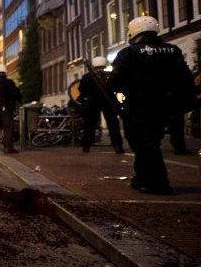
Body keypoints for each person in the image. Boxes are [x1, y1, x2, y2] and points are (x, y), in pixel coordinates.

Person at [108, 16, 195, 195]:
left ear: (133, 31)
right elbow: (185, 78)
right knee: (151, 140)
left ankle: (160, 183)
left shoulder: (129, 53)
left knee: (143, 143)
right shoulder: (173, 50)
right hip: (165, 105)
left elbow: (115, 81)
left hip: (138, 105)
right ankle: (141, 178)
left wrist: (120, 103)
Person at [77, 56, 123, 154]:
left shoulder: (87, 77)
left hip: (92, 103)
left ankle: (86, 146)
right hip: (108, 102)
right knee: (113, 125)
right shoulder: (110, 75)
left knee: (90, 125)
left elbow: (81, 90)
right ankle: (118, 146)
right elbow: (117, 88)